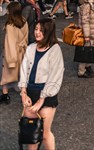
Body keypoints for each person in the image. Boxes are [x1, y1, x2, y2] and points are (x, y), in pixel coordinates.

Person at [19, 19, 64, 150]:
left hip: (46, 94)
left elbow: (55, 77)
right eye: (36, 29)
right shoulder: (31, 47)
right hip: (29, 92)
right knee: (30, 133)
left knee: (44, 134)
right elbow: (23, 69)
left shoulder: (55, 50)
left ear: (48, 32)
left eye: (41, 30)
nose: (37, 32)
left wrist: (41, 100)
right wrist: (23, 92)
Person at [0, 2, 28, 104]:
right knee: (22, 73)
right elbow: (25, 38)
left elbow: (10, 43)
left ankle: (5, 95)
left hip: (11, 53)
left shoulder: (10, 25)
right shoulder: (24, 21)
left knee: (5, 74)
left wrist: (11, 60)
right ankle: (23, 94)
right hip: (21, 51)